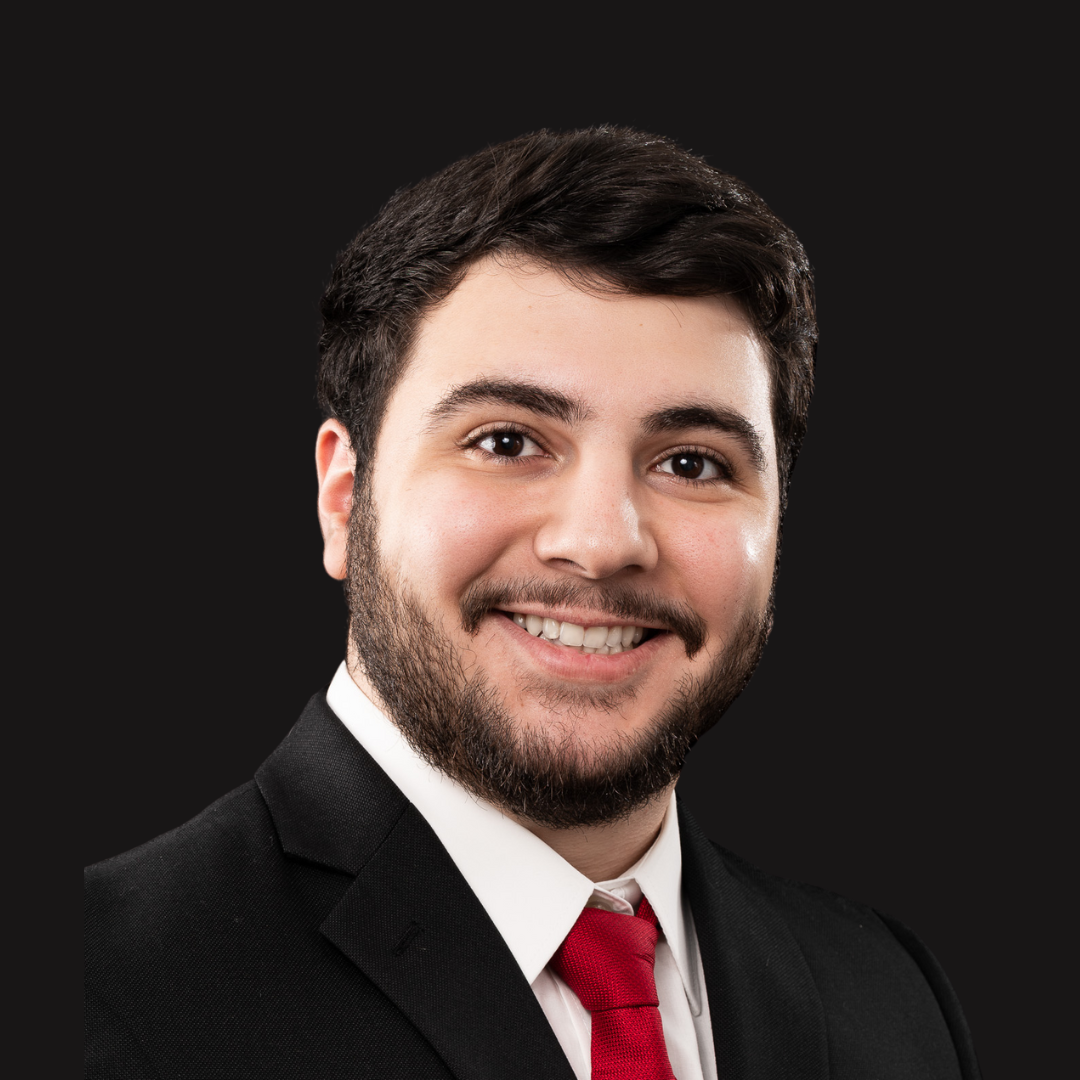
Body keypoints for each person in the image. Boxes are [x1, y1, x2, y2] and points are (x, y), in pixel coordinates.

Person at [84, 127, 980, 1079]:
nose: (602, 544)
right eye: (507, 442)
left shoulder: (889, 996)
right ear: (345, 497)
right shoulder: (95, 996)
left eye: (691, 462)